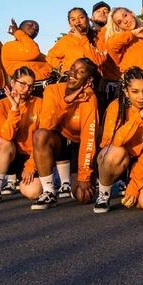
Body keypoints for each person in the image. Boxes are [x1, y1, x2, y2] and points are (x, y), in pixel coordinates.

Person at [30, 58, 100, 210]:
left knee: (83, 195)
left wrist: (84, 176)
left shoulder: (89, 98)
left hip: (79, 145)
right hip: (59, 142)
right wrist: (67, 102)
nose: (73, 73)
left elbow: (89, 139)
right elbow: (46, 126)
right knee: (40, 135)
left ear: (89, 80)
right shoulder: (52, 90)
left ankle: (76, 181)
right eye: (73, 68)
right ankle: (49, 192)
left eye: (81, 72)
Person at [94, 67, 143, 213]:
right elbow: (114, 142)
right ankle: (103, 194)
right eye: (135, 91)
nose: (142, 97)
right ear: (126, 92)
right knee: (116, 153)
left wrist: (134, 185)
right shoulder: (116, 107)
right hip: (118, 158)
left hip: (140, 162)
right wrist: (139, 117)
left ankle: (130, 186)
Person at [0, 67, 43, 204]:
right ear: (13, 82)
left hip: (30, 155)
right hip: (8, 154)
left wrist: (31, 166)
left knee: (33, 192)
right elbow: (7, 136)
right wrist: (14, 109)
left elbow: (42, 141)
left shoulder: (39, 103)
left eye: (31, 86)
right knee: (2, 142)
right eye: (23, 84)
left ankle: (23, 181)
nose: (26, 89)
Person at [105, 7, 143, 103]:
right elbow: (109, 45)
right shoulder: (122, 41)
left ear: (132, 13)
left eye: (125, 15)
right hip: (132, 87)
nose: (125, 21)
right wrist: (133, 34)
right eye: (119, 22)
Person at [1, 19, 56, 98]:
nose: (34, 28)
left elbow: (49, 61)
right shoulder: (8, 46)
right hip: (30, 90)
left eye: (37, 29)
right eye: (30, 25)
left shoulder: (32, 47)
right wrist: (17, 33)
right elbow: (33, 52)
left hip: (47, 87)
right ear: (20, 28)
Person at [46, 7, 106, 76]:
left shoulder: (97, 37)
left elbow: (98, 61)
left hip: (93, 78)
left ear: (87, 19)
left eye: (81, 17)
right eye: (73, 19)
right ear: (70, 24)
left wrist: (81, 37)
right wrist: (62, 66)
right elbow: (50, 57)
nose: (77, 21)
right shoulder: (65, 40)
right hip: (72, 79)